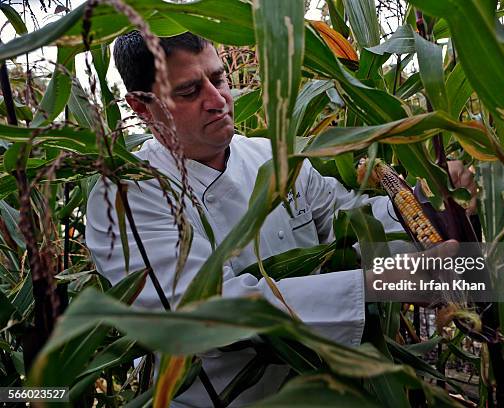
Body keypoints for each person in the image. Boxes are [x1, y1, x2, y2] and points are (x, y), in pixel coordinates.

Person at [85, 31, 475, 407]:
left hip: (319, 390)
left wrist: (427, 206)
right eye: (189, 91)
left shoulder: (274, 160)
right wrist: (371, 285)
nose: (217, 99)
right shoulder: (125, 195)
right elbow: (202, 314)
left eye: (218, 78)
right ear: (141, 107)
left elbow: (351, 220)